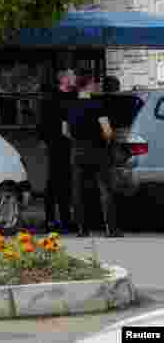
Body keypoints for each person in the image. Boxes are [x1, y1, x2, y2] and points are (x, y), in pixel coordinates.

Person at [64, 69, 121, 238]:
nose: (96, 86)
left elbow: (65, 131)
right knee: (105, 190)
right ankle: (111, 229)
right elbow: (108, 132)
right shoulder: (98, 105)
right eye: (94, 83)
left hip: (78, 152)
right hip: (98, 152)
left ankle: (82, 230)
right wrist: (105, 138)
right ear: (88, 85)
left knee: (78, 192)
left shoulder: (70, 105)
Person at [39, 70, 76, 233]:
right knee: (54, 182)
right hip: (55, 143)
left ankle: (66, 219)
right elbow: (43, 121)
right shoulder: (51, 97)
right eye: (72, 76)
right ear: (64, 79)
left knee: (67, 183)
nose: (74, 78)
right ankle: (50, 219)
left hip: (71, 144)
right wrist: (44, 141)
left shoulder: (75, 95)